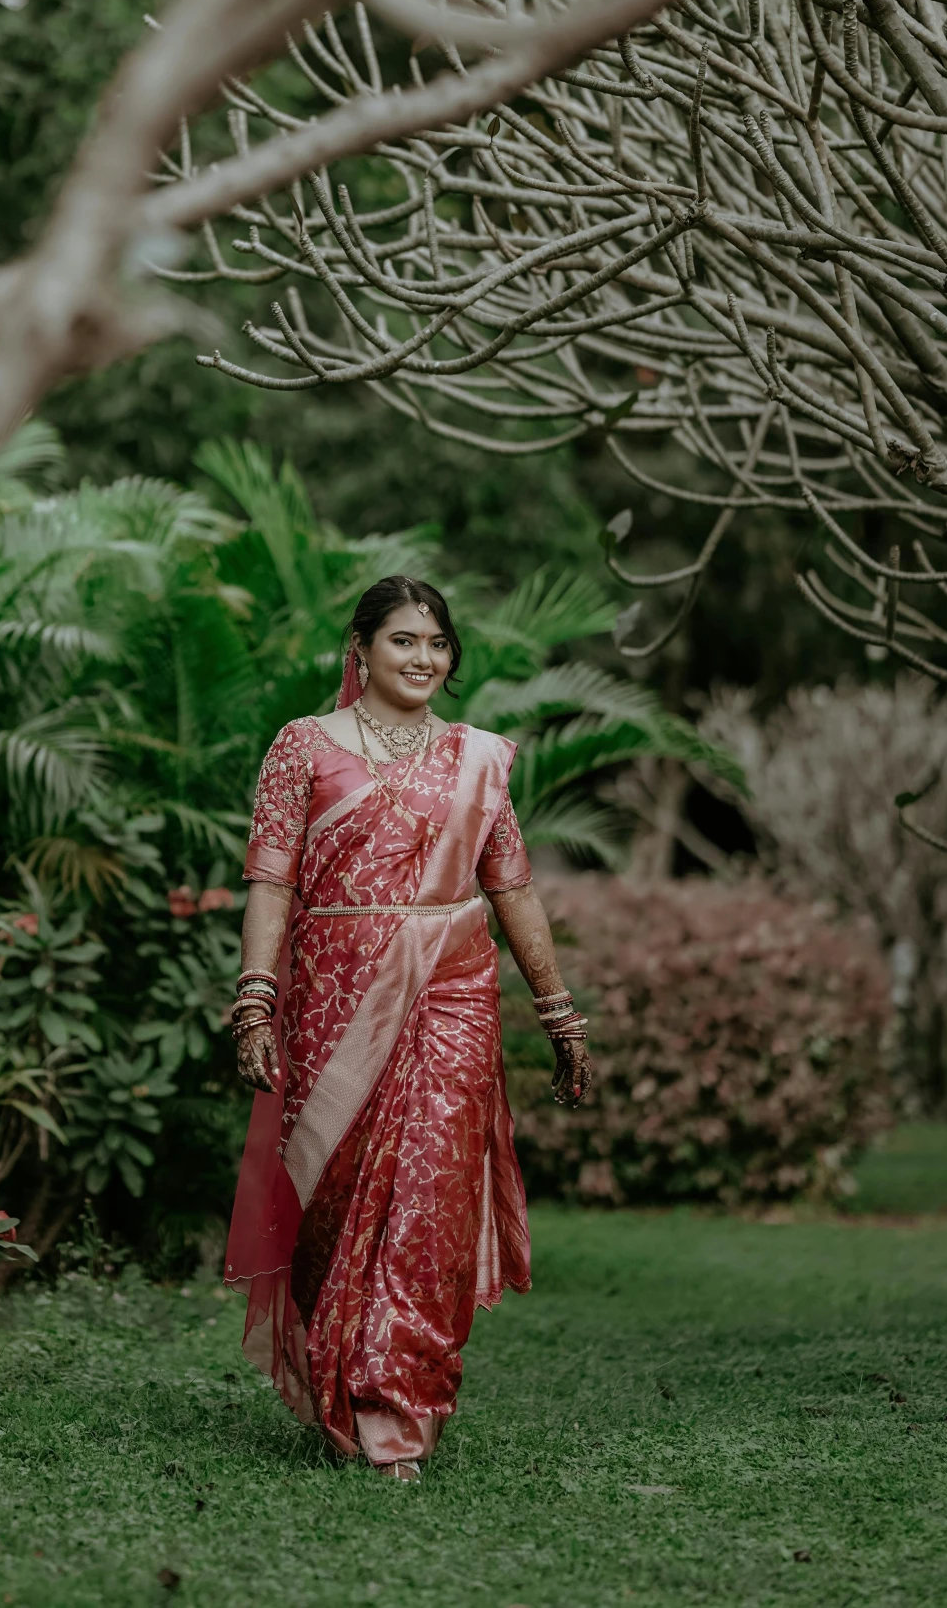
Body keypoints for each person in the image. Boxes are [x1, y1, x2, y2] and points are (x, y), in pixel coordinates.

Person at [223, 575, 593, 1481]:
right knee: (331, 1196)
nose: (423, 658)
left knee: (431, 1192)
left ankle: (398, 1413)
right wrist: (255, 997)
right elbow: (272, 882)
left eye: (436, 643)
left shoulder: (476, 759)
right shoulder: (302, 747)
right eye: (402, 640)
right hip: (333, 990)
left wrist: (557, 1011)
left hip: (453, 990)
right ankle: (341, 1373)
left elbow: (509, 886)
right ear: (360, 649)